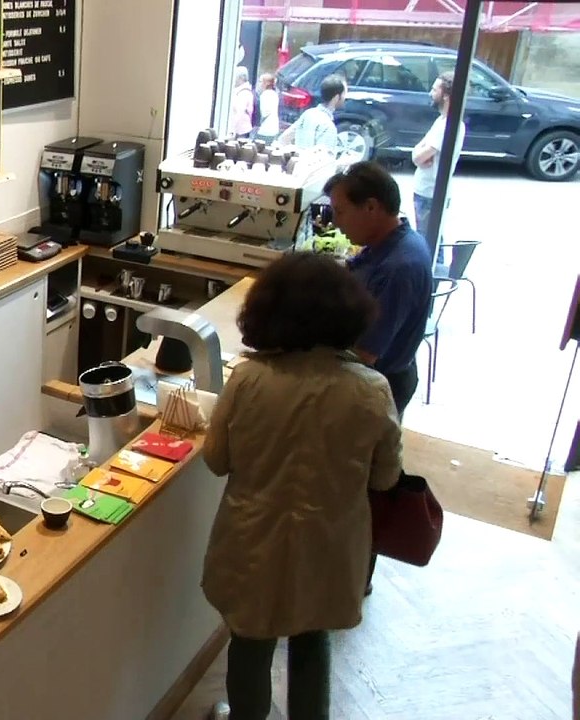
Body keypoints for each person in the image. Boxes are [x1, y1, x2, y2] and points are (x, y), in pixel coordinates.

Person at [202, 253, 402, 720]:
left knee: (250, 642)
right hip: (330, 542)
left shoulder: (249, 379)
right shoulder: (372, 389)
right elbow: (387, 477)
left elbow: (216, 460)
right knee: (314, 639)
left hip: (253, 537)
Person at [326, 161, 435, 418]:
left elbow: (364, 353)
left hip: (375, 385)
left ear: (371, 207)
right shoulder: (393, 241)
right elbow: (355, 270)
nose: (335, 223)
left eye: (340, 212)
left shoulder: (398, 268)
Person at [410, 71, 466, 257]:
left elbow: (419, 157)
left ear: (446, 96)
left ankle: (433, 282)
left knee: (429, 245)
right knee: (430, 240)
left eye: (435, 90)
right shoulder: (441, 121)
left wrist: (420, 154)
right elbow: (417, 151)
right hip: (426, 192)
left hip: (430, 194)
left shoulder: (448, 125)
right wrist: (420, 153)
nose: (430, 93)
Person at [275, 74, 346, 154]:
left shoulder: (309, 113)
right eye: (344, 93)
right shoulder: (328, 126)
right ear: (336, 97)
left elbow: (283, 139)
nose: (345, 97)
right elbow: (323, 161)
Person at [229, 66, 254, 138]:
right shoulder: (241, 91)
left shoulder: (244, 93)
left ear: (241, 78)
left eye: (235, 77)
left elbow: (238, 112)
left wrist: (231, 130)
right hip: (241, 129)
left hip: (240, 131)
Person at [254, 72, 280, 143]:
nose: (258, 84)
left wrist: (258, 124)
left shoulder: (265, 95)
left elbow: (265, 112)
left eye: (260, 81)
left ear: (266, 83)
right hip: (274, 128)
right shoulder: (274, 94)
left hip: (265, 130)